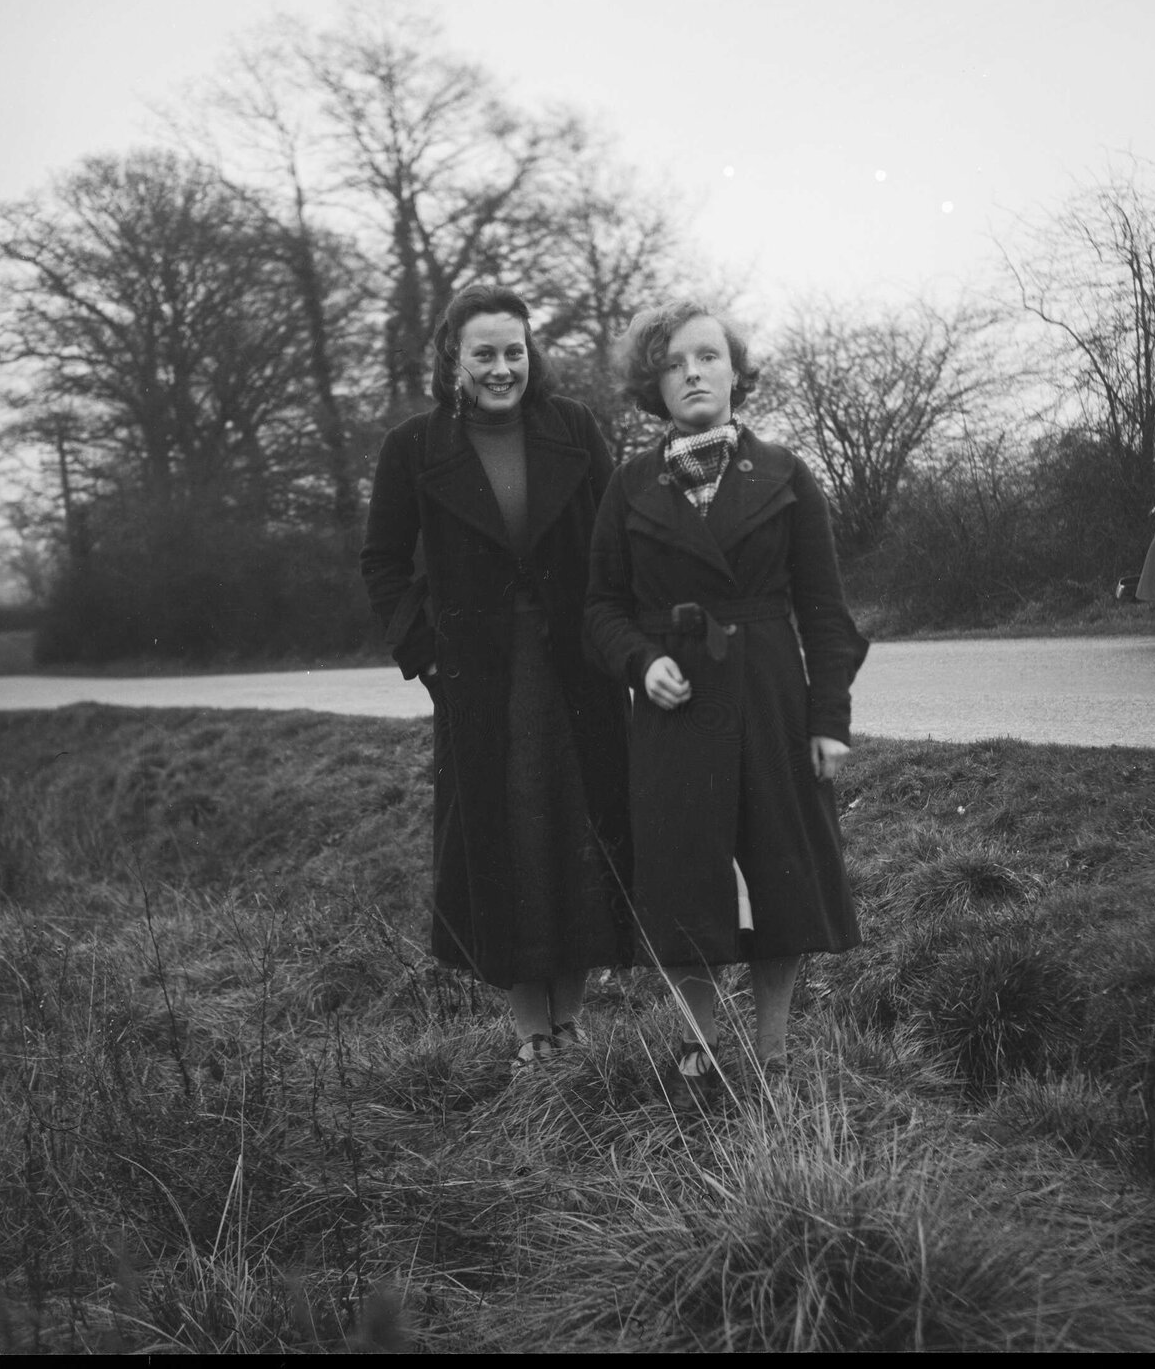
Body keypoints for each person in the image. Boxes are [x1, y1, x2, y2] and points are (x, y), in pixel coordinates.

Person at [583, 300, 869, 1088]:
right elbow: (598, 609)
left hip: (772, 702)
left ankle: (774, 1051)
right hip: (675, 717)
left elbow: (826, 613)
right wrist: (641, 662)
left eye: (707, 357)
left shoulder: (784, 474)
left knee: (780, 875)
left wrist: (828, 719)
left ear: (734, 371)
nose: (693, 373)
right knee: (686, 879)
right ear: (655, 385)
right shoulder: (629, 486)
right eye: (673, 364)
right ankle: (697, 1048)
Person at [361, 284, 632, 1076]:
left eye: (513, 350)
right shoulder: (413, 447)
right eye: (484, 352)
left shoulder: (573, 427)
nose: (502, 367)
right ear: (452, 357)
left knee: (581, 832)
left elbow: (613, 542)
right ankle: (529, 1033)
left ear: (530, 353)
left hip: (576, 670)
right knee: (504, 840)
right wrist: (426, 652)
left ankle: (571, 1024)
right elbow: (382, 562)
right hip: (479, 681)